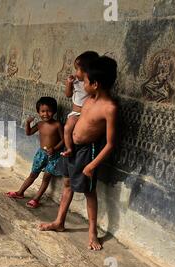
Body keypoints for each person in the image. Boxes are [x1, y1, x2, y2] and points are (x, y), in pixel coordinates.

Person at [39, 56, 118, 252]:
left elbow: (110, 144)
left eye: (85, 81)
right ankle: (59, 221)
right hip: (72, 149)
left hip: (87, 153)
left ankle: (92, 232)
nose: (83, 84)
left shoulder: (109, 108)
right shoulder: (90, 99)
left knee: (89, 192)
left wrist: (92, 165)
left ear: (95, 84)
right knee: (67, 183)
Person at [5, 97, 64, 208]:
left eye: (49, 111)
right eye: (42, 111)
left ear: (54, 111)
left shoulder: (57, 125)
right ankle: (20, 192)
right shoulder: (40, 124)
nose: (46, 114)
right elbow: (29, 133)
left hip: (54, 156)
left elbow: (64, 140)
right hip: (41, 154)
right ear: (38, 112)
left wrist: (55, 149)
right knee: (33, 174)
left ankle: (36, 199)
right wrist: (27, 123)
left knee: (46, 177)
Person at [61, 51, 99, 157]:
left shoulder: (91, 84)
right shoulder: (76, 81)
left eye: (77, 69)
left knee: (69, 130)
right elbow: (68, 95)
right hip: (75, 113)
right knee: (67, 129)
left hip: (84, 115)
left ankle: (70, 149)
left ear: (87, 71)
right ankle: (68, 148)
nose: (76, 72)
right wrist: (68, 84)